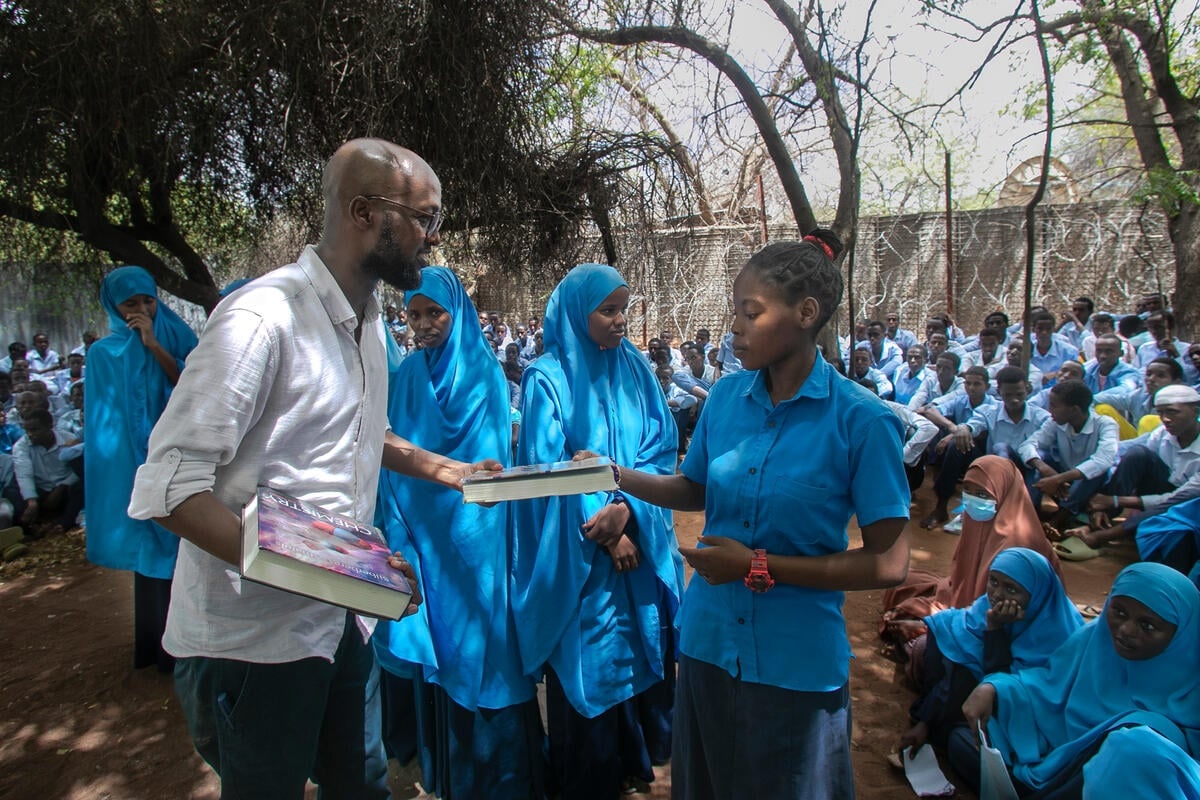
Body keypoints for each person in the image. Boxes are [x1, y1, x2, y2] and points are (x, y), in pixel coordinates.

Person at [125, 139, 493, 799]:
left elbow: (363, 433)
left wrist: (452, 471)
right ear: (361, 212)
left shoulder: (370, 321)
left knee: (363, 786)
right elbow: (171, 488)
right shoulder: (262, 319)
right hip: (256, 643)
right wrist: (338, 564)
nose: (432, 239)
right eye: (424, 218)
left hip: (343, 623)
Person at [605, 233, 910, 799]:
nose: (735, 330)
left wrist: (759, 565)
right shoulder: (725, 398)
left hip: (793, 661)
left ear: (806, 313)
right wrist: (614, 474)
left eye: (751, 313)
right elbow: (693, 488)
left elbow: (889, 564)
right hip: (709, 643)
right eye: (734, 315)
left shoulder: (861, 421)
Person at [511, 263, 683, 799]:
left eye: (623, 309)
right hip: (580, 557)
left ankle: (629, 762)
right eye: (607, 310)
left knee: (635, 654)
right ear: (576, 313)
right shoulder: (548, 377)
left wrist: (628, 509)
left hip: (637, 544)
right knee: (588, 662)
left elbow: (659, 446)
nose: (620, 321)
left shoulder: (633, 366)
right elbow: (547, 467)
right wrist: (607, 530)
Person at [373, 266, 545, 800]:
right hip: (419, 537)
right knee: (438, 649)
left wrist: (460, 534)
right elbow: (390, 458)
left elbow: (485, 467)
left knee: (484, 647)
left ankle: (504, 778)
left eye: (434, 313)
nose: (423, 325)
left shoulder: (485, 376)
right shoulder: (404, 378)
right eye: (414, 314)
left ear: (459, 314)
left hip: (476, 541)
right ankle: (450, 772)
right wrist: (408, 529)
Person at [955, 563, 1200, 799]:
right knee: (960, 738)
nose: (1125, 629)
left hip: (1107, 782)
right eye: (1119, 612)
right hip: (1055, 760)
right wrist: (994, 686)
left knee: (1135, 743)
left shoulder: (1190, 698)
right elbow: (1047, 686)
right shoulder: (1094, 640)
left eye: (1147, 625)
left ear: (1181, 634)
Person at [84, 265, 198, 671]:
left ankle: (182, 643)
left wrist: (152, 344)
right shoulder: (102, 354)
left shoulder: (176, 335)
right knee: (149, 551)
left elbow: (193, 384)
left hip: (178, 458)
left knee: (178, 544)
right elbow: (104, 425)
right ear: (113, 306)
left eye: (147, 300)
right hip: (133, 465)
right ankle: (154, 647)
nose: (142, 309)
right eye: (130, 303)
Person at [898, 548, 1082, 754]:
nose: (997, 594)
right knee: (943, 631)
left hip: (1018, 705)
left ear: (1036, 594)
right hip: (976, 686)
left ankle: (936, 723)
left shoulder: (1061, 635)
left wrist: (995, 628)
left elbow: (1005, 682)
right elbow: (958, 652)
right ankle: (930, 718)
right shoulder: (985, 606)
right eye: (993, 581)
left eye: (1011, 589)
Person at [884, 456, 1062, 640]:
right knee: (903, 582)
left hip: (1004, 622)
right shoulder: (976, 521)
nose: (973, 499)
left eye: (983, 494)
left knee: (927, 647)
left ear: (1003, 493)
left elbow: (1000, 612)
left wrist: (928, 625)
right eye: (967, 491)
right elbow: (960, 581)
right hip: (967, 603)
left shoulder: (1018, 545)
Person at [1019, 379, 1119, 530]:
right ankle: (1031, 511)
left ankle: (1059, 518)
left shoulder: (1106, 424)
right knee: (1039, 457)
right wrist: (1045, 469)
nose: (1049, 409)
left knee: (1094, 472)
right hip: (1063, 485)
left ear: (1074, 410)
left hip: (1091, 486)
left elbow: (1103, 460)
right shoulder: (1055, 422)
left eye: (1054, 405)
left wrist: (1059, 478)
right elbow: (1028, 445)